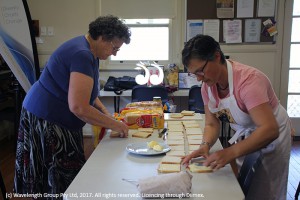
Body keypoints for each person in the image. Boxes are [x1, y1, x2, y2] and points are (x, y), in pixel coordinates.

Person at [14, 15, 131, 197]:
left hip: (52, 113)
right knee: (57, 174)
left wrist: (105, 112)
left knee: (68, 171)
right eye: (114, 47)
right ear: (102, 38)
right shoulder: (81, 54)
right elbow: (79, 107)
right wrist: (116, 125)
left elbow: (87, 92)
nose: (115, 53)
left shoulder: (90, 51)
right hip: (46, 117)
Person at [181, 34, 291, 200]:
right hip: (248, 131)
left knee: (266, 192)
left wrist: (230, 152)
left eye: (200, 71)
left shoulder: (249, 81)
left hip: (272, 134)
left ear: (217, 56)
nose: (198, 78)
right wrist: (205, 145)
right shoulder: (208, 86)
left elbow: (269, 129)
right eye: (194, 74)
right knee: (242, 186)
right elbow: (211, 123)